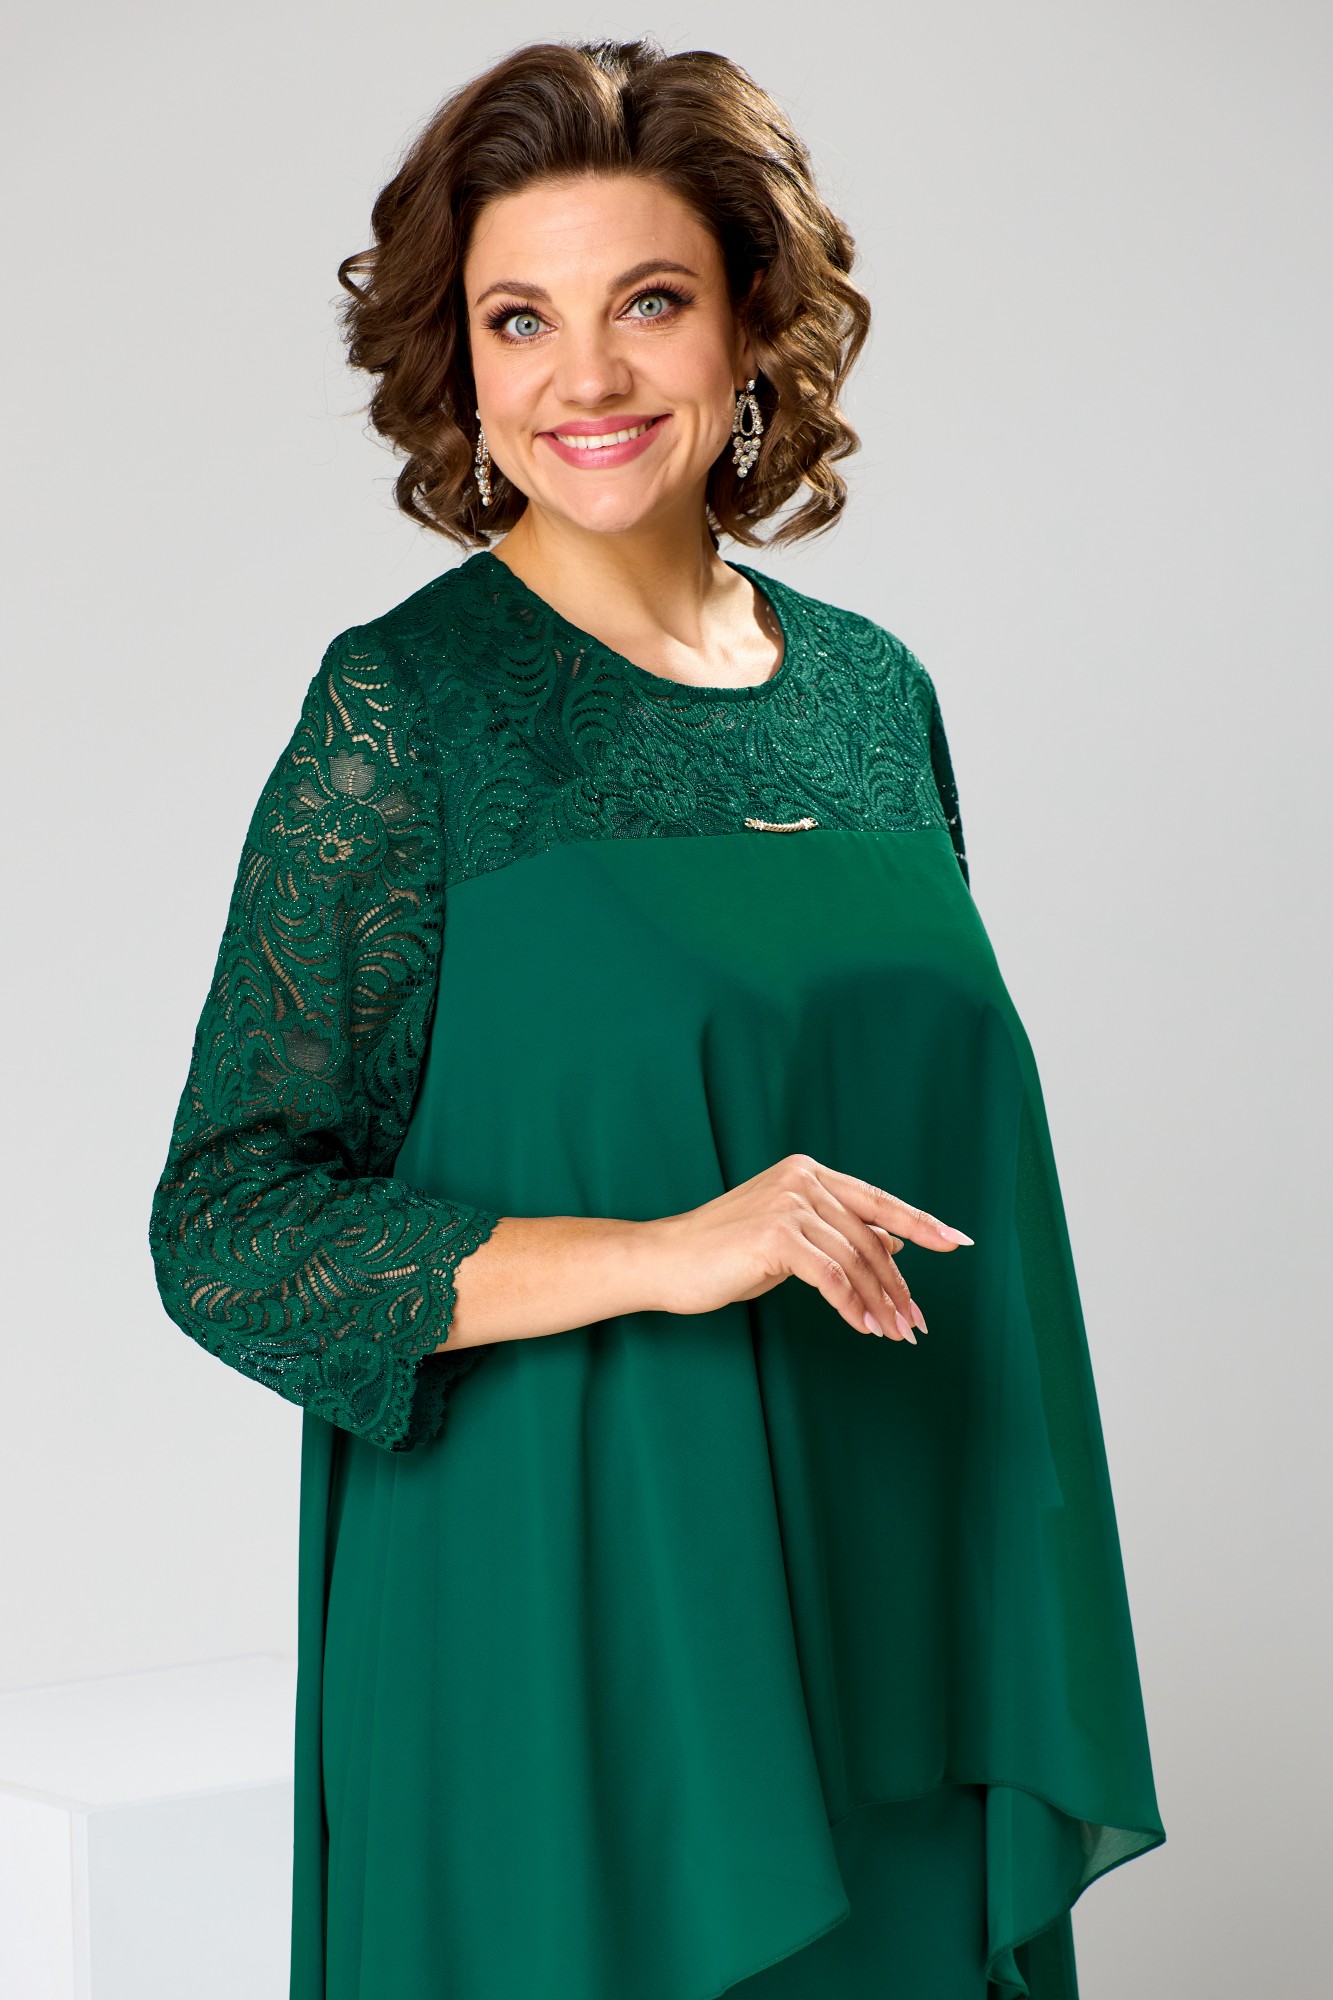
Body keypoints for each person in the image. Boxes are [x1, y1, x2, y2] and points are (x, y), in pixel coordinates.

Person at [148, 37, 1164, 2000]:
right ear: (460, 362)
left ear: (754, 322)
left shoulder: (872, 699)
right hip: (565, 1633)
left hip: (896, 1614)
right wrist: (670, 1251)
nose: (584, 377)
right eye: (519, 318)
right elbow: (231, 1226)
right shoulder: (405, 714)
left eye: (648, 303)